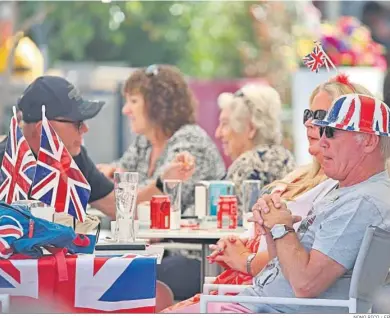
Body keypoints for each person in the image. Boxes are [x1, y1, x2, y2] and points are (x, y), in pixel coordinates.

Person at [167, 77, 388, 313]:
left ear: (369, 142)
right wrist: (273, 228)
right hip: (257, 303)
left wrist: (282, 227)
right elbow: (284, 268)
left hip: (264, 310)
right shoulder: (350, 190)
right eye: (321, 131)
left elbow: (305, 284)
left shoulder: (361, 201)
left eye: (332, 132)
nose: (321, 142)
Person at [0, 75, 193, 219]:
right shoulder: (6, 163)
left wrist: (164, 180)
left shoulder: (73, 157)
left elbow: (122, 209)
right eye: (77, 122)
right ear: (44, 129)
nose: (85, 128)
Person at [97, 64, 226, 214]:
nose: (125, 110)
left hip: (188, 237)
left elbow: (159, 204)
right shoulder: (145, 142)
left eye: (133, 101)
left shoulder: (191, 141)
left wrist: (118, 183)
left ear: (158, 105)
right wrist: (112, 173)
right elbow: (117, 175)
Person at [215, 84, 295, 212]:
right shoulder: (287, 158)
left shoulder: (245, 165)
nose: (218, 133)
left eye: (225, 124)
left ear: (251, 128)